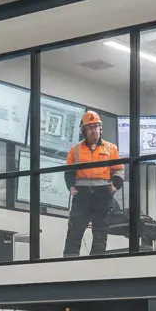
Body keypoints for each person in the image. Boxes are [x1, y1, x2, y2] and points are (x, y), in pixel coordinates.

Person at [63, 110, 124, 257]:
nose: (94, 131)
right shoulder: (75, 150)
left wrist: (114, 187)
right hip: (81, 195)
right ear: (84, 131)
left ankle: (96, 266)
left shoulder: (111, 148)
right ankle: (68, 267)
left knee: (100, 234)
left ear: (100, 128)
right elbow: (68, 172)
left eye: (96, 127)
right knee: (74, 233)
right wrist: (71, 187)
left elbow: (119, 171)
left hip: (102, 195)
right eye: (90, 128)